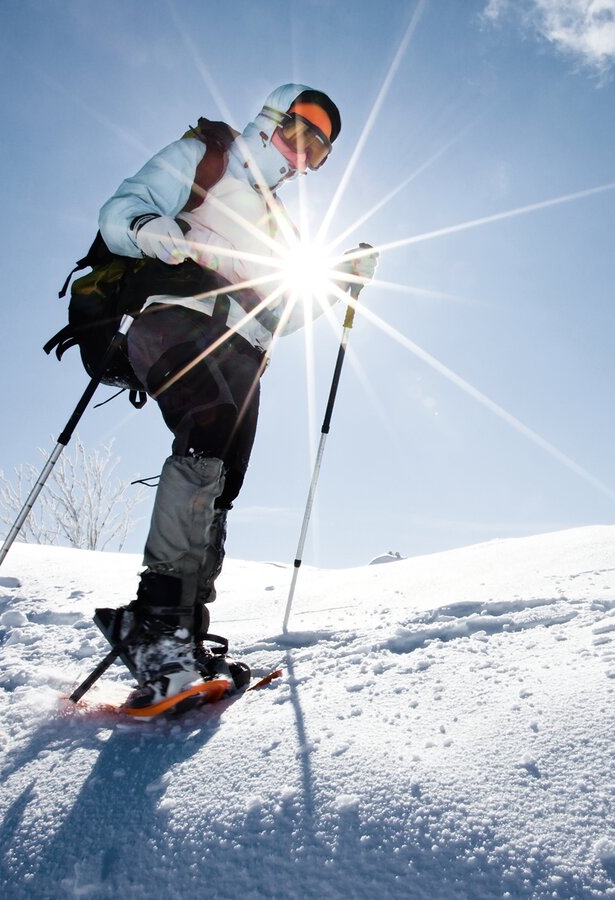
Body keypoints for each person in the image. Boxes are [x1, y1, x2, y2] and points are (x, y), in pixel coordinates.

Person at [90, 83, 376, 706]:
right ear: (271, 118)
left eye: (318, 153)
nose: (302, 157)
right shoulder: (208, 155)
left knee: (224, 473)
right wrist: (148, 227)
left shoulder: (279, 223)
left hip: (241, 348)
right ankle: (154, 620)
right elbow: (120, 211)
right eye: (299, 134)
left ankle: (185, 633)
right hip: (172, 319)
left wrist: (334, 285)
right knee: (210, 419)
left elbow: (279, 314)